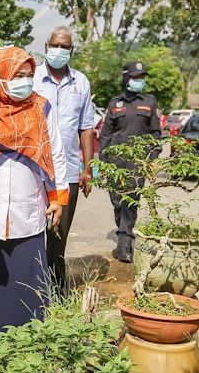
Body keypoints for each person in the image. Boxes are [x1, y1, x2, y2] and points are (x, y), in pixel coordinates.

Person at [0, 46, 68, 344]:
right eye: (17, 75)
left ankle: (30, 342)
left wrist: (58, 198)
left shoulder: (41, 107)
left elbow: (56, 154)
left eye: (29, 75)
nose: (24, 81)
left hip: (29, 206)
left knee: (27, 278)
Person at [32, 26, 98, 289]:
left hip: (68, 171)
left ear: (71, 50)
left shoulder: (81, 82)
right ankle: (32, 288)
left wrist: (87, 168)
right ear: (46, 47)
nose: (59, 51)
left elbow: (86, 127)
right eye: (55, 45)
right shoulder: (31, 78)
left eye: (65, 47)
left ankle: (56, 290)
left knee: (58, 235)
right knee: (32, 232)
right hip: (35, 170)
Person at [98, 61, 162, 262]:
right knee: (117, 202)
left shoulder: (149, 103)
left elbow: (156, 134)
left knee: (130, 201)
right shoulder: (114, 104)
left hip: (137, 161)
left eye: (141, 77)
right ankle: (123, 236)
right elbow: (105, 135)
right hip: (115, 162)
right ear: (126, 78)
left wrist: (152, 159)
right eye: (136, 77)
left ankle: (125, 245)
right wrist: (103, 163)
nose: (139, 80)